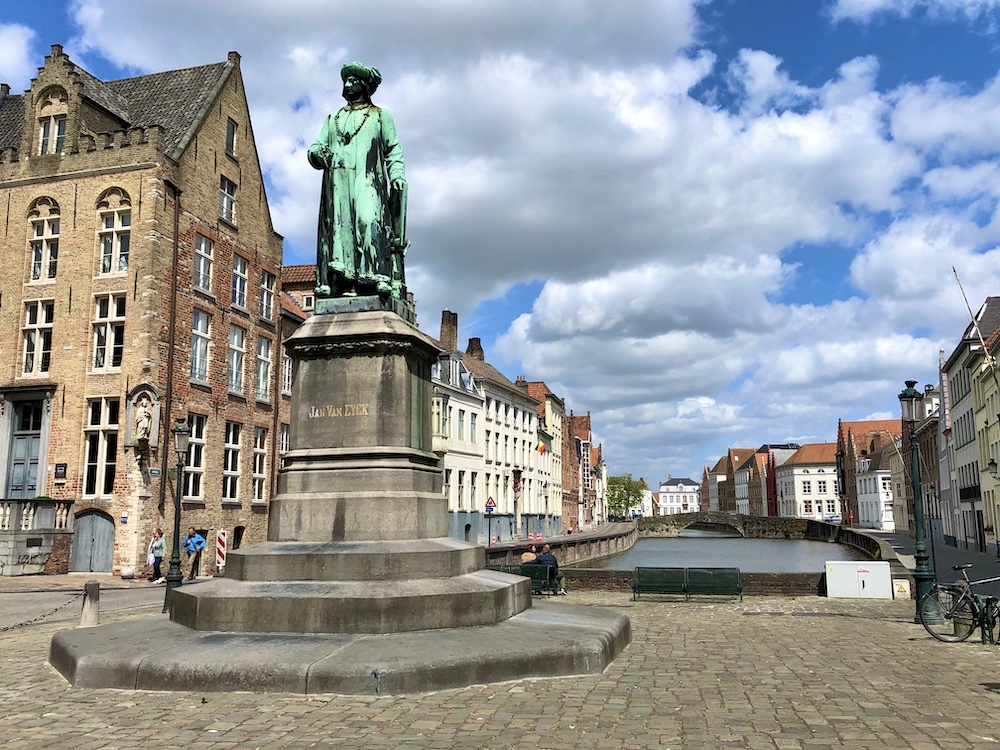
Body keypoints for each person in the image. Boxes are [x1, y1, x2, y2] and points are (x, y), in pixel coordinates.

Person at [307, 61, 407, 300]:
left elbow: (393, 150)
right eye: (346, 81)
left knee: (369, 219)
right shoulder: (333, 119)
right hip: (338, 182)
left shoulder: (381, 116)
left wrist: (397, 175)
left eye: (353, 80)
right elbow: (316, 146)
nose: (348, 85)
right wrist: (317, 153)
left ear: (364, 85)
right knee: (341, 231)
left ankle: (373, 278)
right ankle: (345, 282)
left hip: (367, 178)